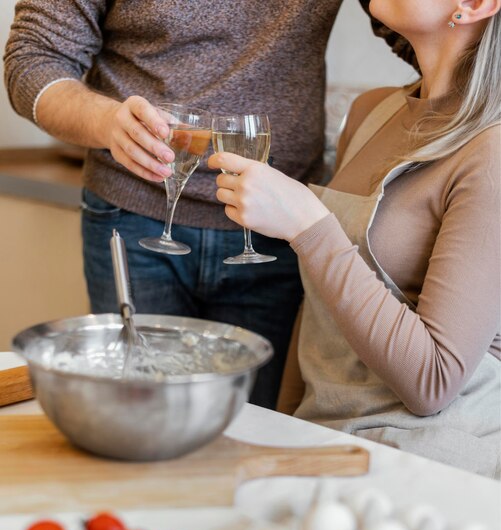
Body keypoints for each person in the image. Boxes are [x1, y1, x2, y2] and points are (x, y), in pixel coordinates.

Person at [3, 1, 416, 410]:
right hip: (132, 217)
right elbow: (33, 58)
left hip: (274, 229)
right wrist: (106, 122)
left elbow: (423, 25)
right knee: (141, 411)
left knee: (254, 419)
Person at [208, 0, 501, 477]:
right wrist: (287, 428)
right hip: (325, 438)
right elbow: (321, 310)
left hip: (429, 465)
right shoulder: (372, 112)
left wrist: (309, 228)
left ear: (474, 6)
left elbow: (433, 381)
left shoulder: (491, 152)